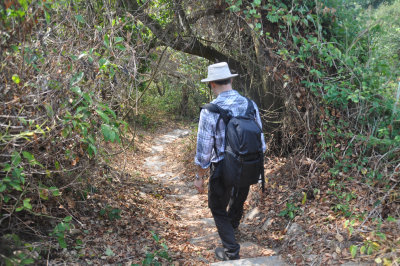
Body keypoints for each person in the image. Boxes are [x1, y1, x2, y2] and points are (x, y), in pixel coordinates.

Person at [194, 62, 266, 261]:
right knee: (238, 197)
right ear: (231, 80)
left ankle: (231, 251)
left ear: (212, 85)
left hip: (223, 167)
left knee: (217, 206)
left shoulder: (210, 110)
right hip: (248, 165)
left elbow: (204, 151)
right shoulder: (250, 105)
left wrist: (199, 176)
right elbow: (261, 143)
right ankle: (232, 228)